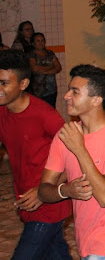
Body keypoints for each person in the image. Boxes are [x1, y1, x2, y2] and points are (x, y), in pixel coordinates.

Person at [39, 65, 105, 259]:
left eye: (75, 92)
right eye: (69, 90)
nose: (66, 96)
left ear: (96, 100)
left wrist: (79, 149)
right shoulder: (65, 135)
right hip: (84, 238)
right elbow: (43, 190)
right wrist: (65, 190)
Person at [0, 50, 72, 259]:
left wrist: (44, 192)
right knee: (56, 252)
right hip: (25, 200)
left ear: (23, 84)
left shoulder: (45, 115)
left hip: (49, 204)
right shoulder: (3, 111)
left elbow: (75, 157)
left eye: (4, 83)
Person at [28, 32, 62, 108]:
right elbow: (35, 69)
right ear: (33, 43)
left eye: (42, 40)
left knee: (50, 110)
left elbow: (58, 68)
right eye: (38, 41)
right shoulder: (31, 55)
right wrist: (51, 66)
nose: (41, 43)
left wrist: (43, 70)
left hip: (51, 90)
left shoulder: (50, 53)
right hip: (37, 91)